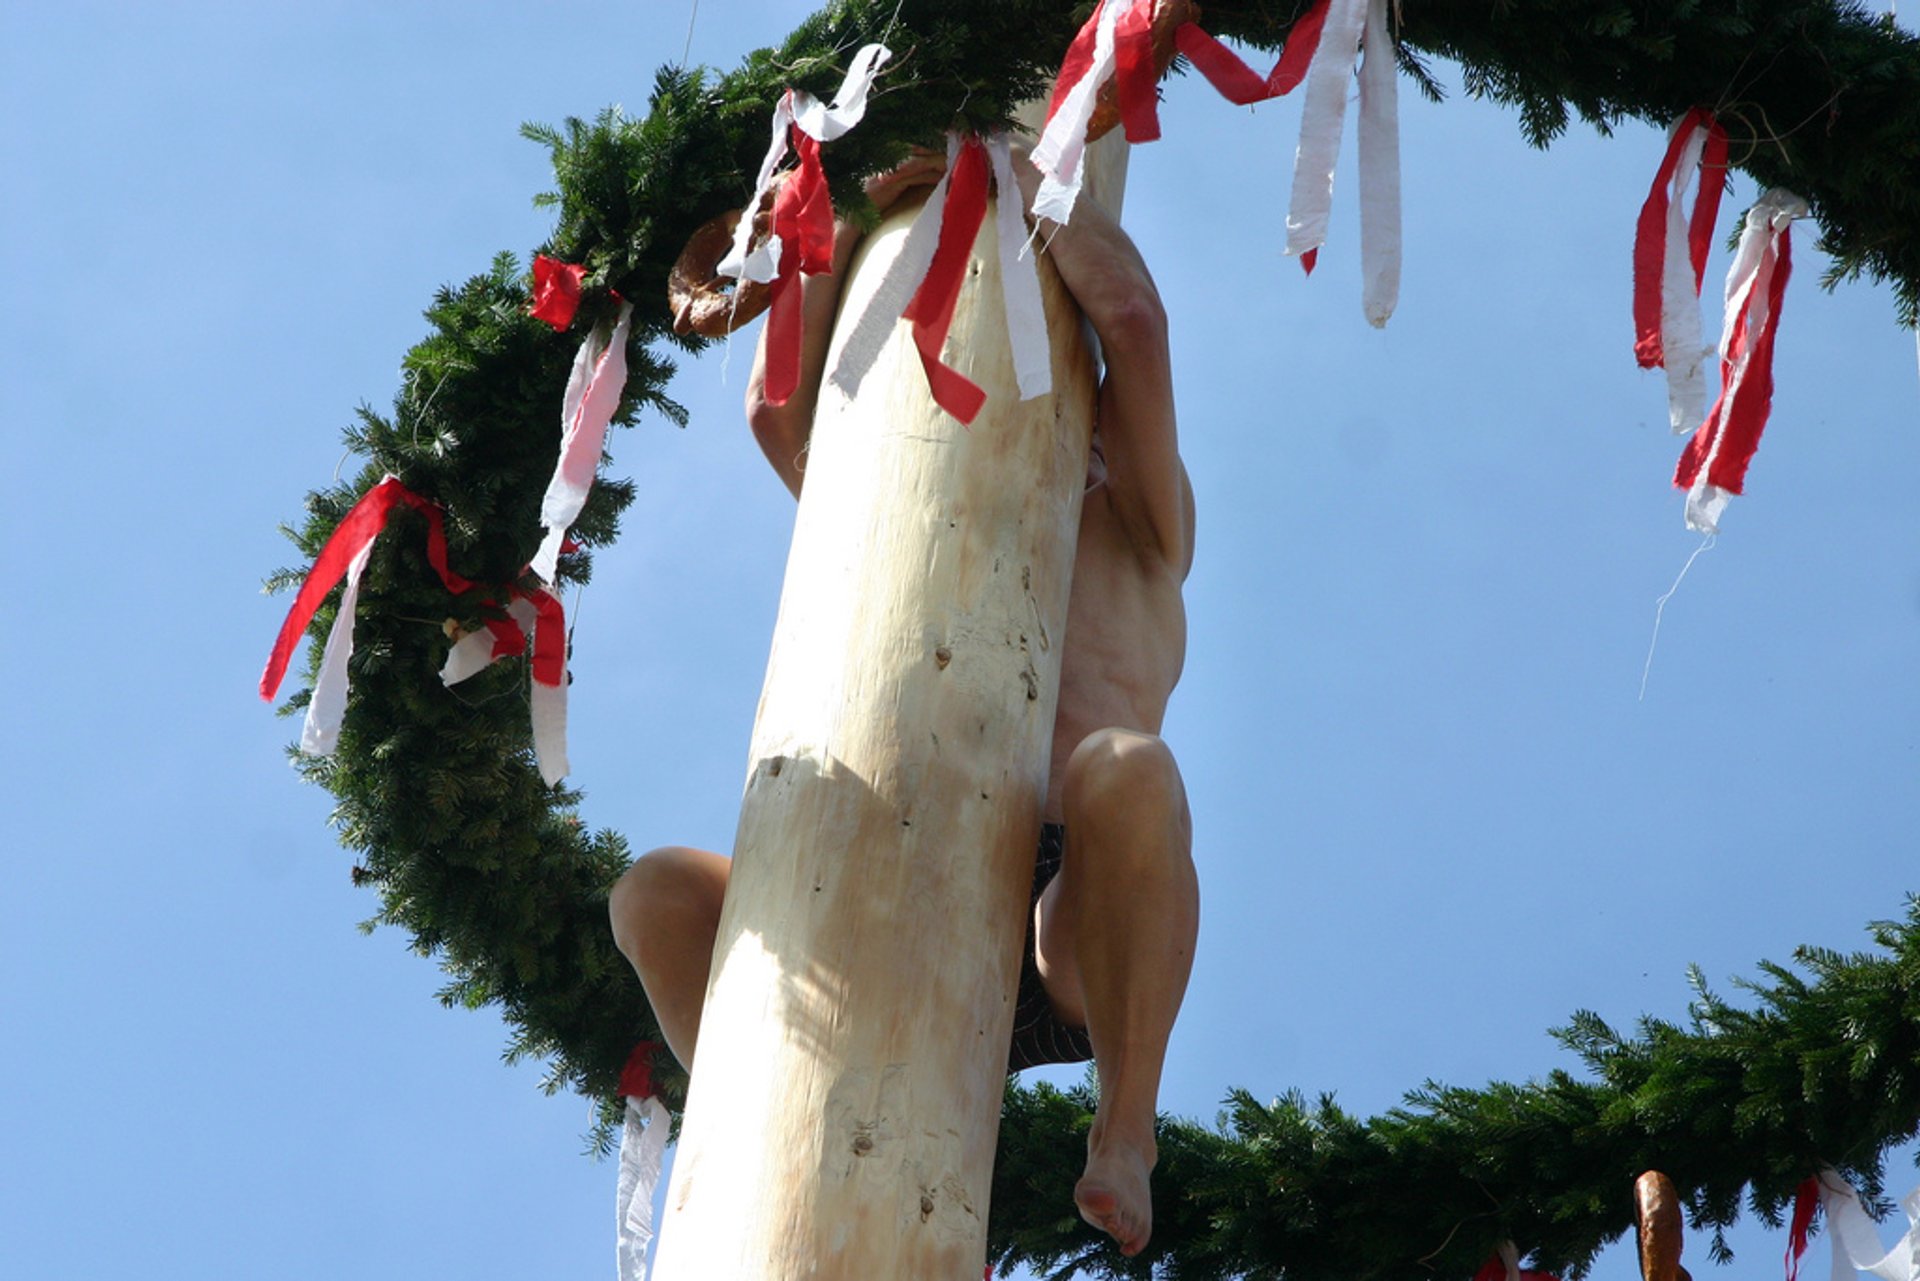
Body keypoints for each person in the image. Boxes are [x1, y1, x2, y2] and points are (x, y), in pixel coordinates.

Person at [608, 145, 1198, 1258]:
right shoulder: (894, 481)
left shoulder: (1144, 526)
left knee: (1126, 766)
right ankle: (754, 1141)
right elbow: (774, 406)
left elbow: (1132, 317)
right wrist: (838, 215)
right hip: (890, 862)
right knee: (654, 898)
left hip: (1065, 922)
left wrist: (1019, 179)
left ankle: (1125, 1130)